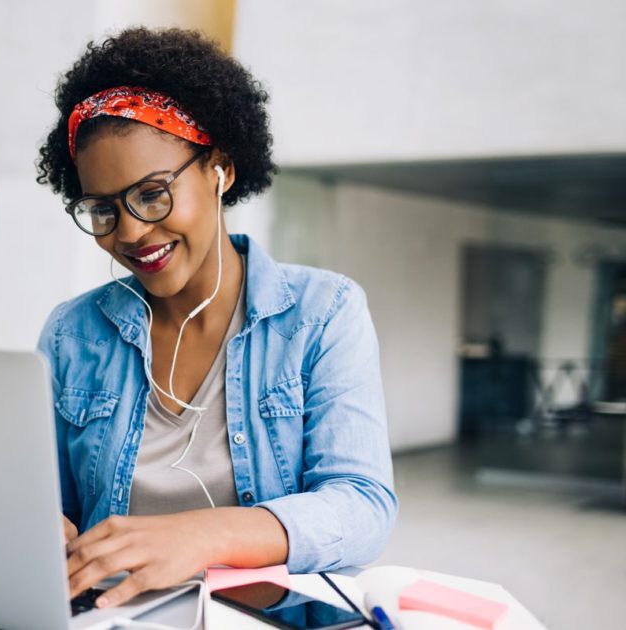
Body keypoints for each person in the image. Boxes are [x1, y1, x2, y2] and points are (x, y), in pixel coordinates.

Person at [35, 27, 397, 610]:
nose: (129, 232)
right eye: (102, 209)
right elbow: (49, 503)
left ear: (220, 169)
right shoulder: (72, 333)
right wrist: (38, 525)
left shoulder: (321, 313)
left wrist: (202, 534)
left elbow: (362, 506)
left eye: (152, 193)